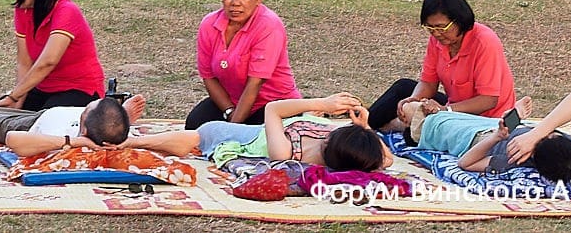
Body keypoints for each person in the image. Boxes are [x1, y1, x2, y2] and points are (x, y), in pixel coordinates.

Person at [367, 0, 516, 131]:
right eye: (430, 28)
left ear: (459, 21)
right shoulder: (438, 40)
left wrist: (445, 111)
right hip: (453, 108)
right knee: (402, 88)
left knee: (422, 133)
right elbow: (429, 83)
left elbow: (488, 100)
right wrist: (413, 99)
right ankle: (365, 124)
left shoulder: (484, 42)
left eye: (441, 27)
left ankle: (392, 127)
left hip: (484, 120)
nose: (436, 33)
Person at [131, 94, 393, 172]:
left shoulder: (288, 152)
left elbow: (274, 110)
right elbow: (387, 159)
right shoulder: (347, 150)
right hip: (260, 129)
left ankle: (129, 142)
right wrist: (365, 128)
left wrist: (322, 104)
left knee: (200, 136)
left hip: (240, 137)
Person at [186, 0, 301, 129]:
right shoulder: (209, 24)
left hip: (272, 104)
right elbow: (208, 76)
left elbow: (255, 83)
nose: (235, 2)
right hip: (233, 100)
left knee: (260, 138)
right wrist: (229, 111)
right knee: (195, 125)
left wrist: (232, 129)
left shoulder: (269, 25)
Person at [0, 0, 105, 112]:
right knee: (1, 115)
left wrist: (14, 96)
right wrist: (18, 100)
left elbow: (48, 61)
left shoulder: (66, 11)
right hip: (44, 88)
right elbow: (24, 62)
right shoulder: (22, 10)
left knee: (44, 122)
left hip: (79, 89)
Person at [407, 92, 571, 180]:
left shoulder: (515, 160)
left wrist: (497, 137)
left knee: (410, 109)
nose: (549, 132)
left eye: (548, 135)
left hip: (478, 137)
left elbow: (465, 163)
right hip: (510, 125)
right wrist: (534, 134)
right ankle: (513, 117)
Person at [0, 94, 147, 146]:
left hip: (31, 125)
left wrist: (77, 142)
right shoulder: (119, 131)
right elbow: (177, 138)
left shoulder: (59, 137)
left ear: (83, 132)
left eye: (86, 110)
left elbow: (14, 139)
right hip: (49, 113)